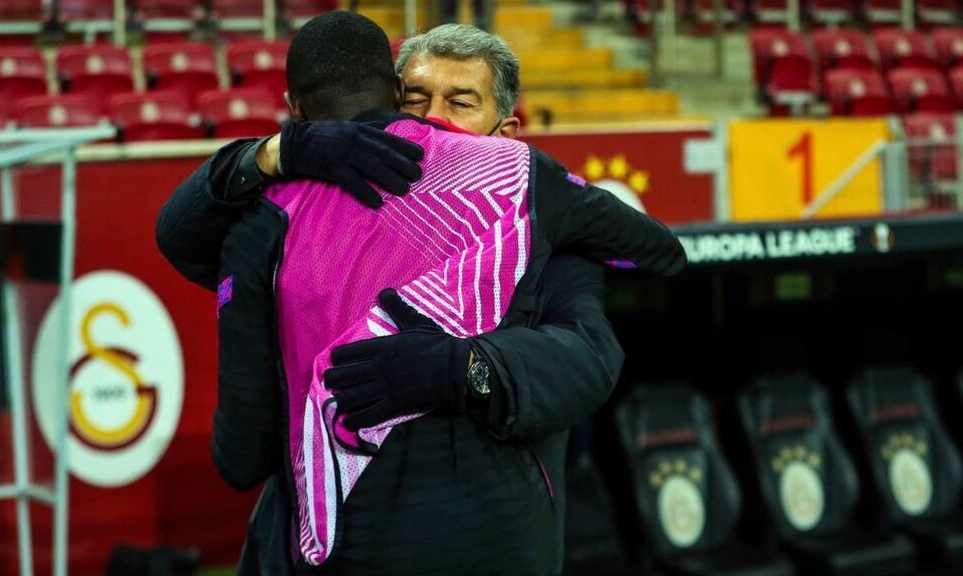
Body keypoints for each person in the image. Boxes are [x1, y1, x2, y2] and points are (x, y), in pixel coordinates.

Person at [156, 15, 684, 576]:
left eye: (460, 102)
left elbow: (590, 358)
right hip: (333, 544)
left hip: (491, 538)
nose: (433, 119)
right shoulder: (289, 208)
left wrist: (469, 369)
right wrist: (275, 152)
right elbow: (178, 235)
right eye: (416, 99)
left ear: (506, 130)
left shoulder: (541, 224)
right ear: (387, 100)